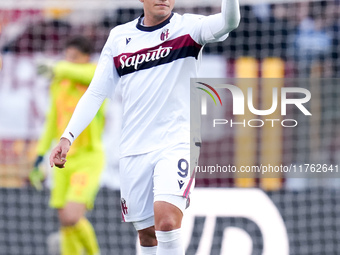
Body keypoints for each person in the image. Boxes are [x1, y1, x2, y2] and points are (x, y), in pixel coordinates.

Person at [49, 0, 240, 254]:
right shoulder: (119, 37)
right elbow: (96, 92)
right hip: (134, 148)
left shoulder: (190, 28)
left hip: (177, 142)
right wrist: (67, 136)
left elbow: (229, 22)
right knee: (147, 235)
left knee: (168, 221)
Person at [30, 35, 105, 255]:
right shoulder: (59, 82)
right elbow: (52, 121)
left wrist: (57, 66)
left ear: (85, 58)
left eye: (74, 58)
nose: (68, 62)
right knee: (65, 221)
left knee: (72, 216)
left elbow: (80, 73)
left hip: (88, 158)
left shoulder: (95, 77)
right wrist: (40, 155)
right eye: (66, 57)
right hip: (63, 157)